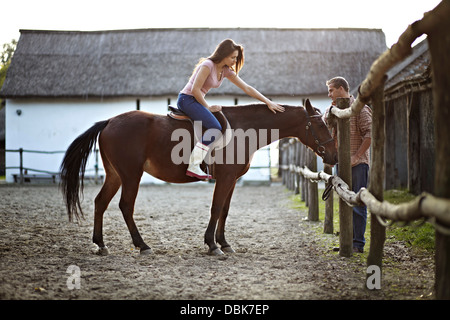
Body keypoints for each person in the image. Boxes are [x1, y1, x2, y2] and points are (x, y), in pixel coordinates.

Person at [177, 39, 285, 180]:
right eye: (233, 57)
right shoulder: (207, 65)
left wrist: (267, 101)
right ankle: (193, 165)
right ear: (224, 55)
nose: (235, 61)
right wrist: (208, 107)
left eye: (236, 58)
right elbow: (195, 89)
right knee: (215, 127)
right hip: (187, 100)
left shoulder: (225, 71)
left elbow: (247, 88)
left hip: (196, 100)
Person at [322, 77, 372, 253]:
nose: (329, 95)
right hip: (340, 164)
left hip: (358, 164)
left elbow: (369, 134)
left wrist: (356, 157)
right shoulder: (332, 110)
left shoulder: (361, 109)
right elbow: (324, 125)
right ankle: (346, 241)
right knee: (344, 200)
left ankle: (358, 243)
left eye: (331, 91)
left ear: (341, 89)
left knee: (358, 203)